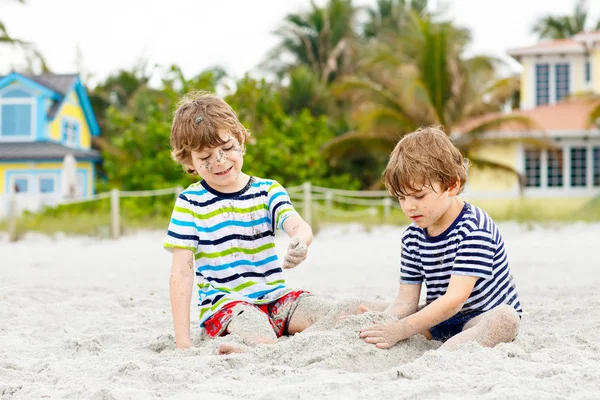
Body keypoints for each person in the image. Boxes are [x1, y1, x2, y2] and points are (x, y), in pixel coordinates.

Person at [164, 91, 331, 354]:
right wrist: (183, 342)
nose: (219, 162)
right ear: (189, 161)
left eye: (227, 148)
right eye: (205, 158)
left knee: (328, 314)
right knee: (260, 334)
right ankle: (239, 349)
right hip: (227, 307)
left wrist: (300, 242)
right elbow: (181, 272)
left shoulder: (267, 190)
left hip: (276, 297)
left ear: (240, 139)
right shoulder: (190, 203)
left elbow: (298, 225)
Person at [359, 126, 522, 351]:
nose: (409, 206)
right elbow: (406, 302)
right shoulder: (412, 235)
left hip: (480, 317)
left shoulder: (474, 228)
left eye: (419, 195)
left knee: (506, 319)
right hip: (439, 320)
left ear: (452, 185)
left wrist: (400, 330)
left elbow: (455, 299)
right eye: (401, 197)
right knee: (356, 307)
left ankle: (445, 355)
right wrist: (386, 322)